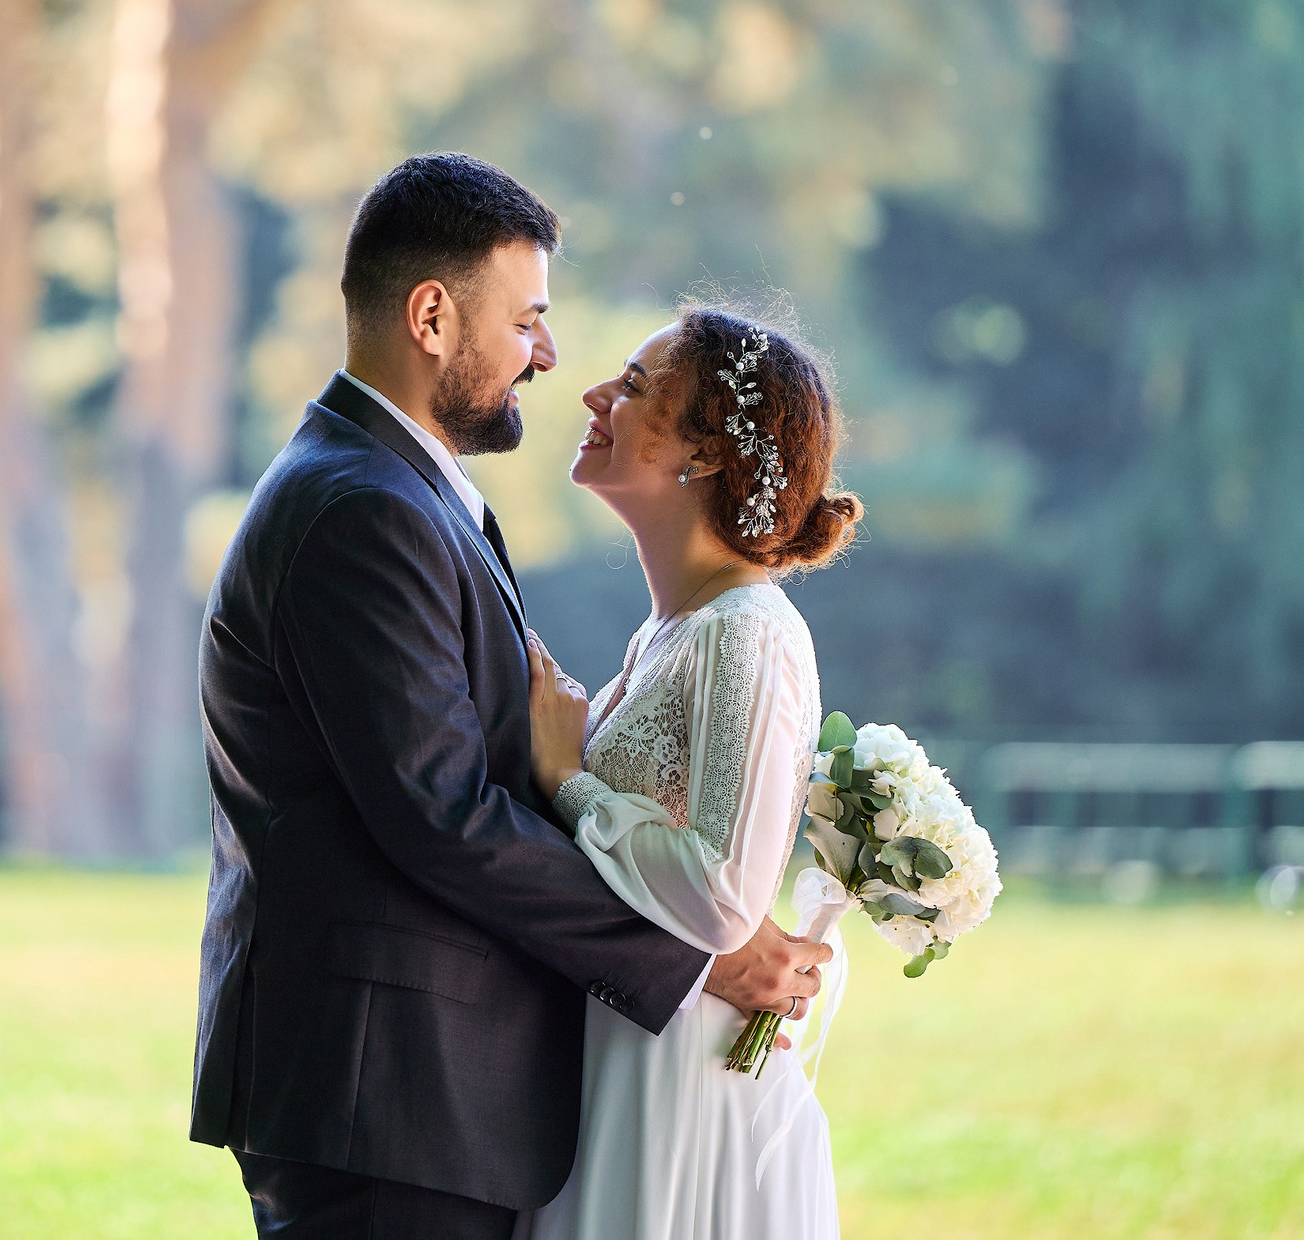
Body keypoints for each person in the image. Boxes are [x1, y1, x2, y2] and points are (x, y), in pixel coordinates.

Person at [190, 153, 832, 1240]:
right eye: (526, 319)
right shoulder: (362, 508)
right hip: (384, 1092)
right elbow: (440, 814)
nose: (546, 355)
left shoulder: (401, 492)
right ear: (432, 317)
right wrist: (699, 956)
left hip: (426, 1094)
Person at [515, 305, 863, 1240]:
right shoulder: (674, 628)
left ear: (703, 455)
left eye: (633, 388)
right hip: (632, 1046)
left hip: (685, 1082)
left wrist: (567, 777)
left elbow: (720, 894)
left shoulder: (749, 629)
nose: (595, 395)